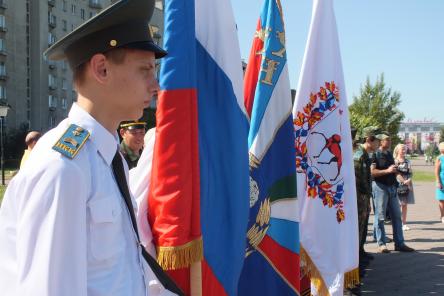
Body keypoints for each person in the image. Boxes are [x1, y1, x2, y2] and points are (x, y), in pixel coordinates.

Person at [0, 0, 182, 295]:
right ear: (102, 69)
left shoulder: (110, 159)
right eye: (146, 69)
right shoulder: (63, 167)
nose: (156, 85)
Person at [370, 133, 414, 253]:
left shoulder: (389, 154)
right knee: (380, 217)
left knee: (396, 216)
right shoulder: (375, 154)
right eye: (387, 140)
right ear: (380, 141)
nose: (389, 141)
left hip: (392, 188)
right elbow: (372, 172)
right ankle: (381, 244)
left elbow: (394, 171)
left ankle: (399, 243)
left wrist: (403, 181)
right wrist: (387, 171)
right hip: (380, 187)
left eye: (390, 139)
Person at [354, 126, 381, 263]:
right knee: (358, 227)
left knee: (363, 226)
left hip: (363, 197)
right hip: (358, 198)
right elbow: (359, 179)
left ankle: (361, 251)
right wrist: (367, 193)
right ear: (369, 140)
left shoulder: (365, 154)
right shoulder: (359, 155)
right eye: (377, 140)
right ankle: (356, 259)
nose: (379, 143)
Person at [393, 143, 415, 230]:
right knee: (397, 204)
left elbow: (411, 172)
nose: (404, 150)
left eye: (404, 149)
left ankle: (404, 223)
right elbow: (395, 173)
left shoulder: (408, 161)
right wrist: (403, 181)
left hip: (407, 184)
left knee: (405, 204)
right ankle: (397, 223)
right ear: (397, 150)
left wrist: (409, 180)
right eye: (402, 149)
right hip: (398, 184)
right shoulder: (394, 161)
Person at [434, 142, 444, 223]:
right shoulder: (439, 158)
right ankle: (442, 216)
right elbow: (436, 171)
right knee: (441, 199)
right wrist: (438, 182)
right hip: (442, 180)